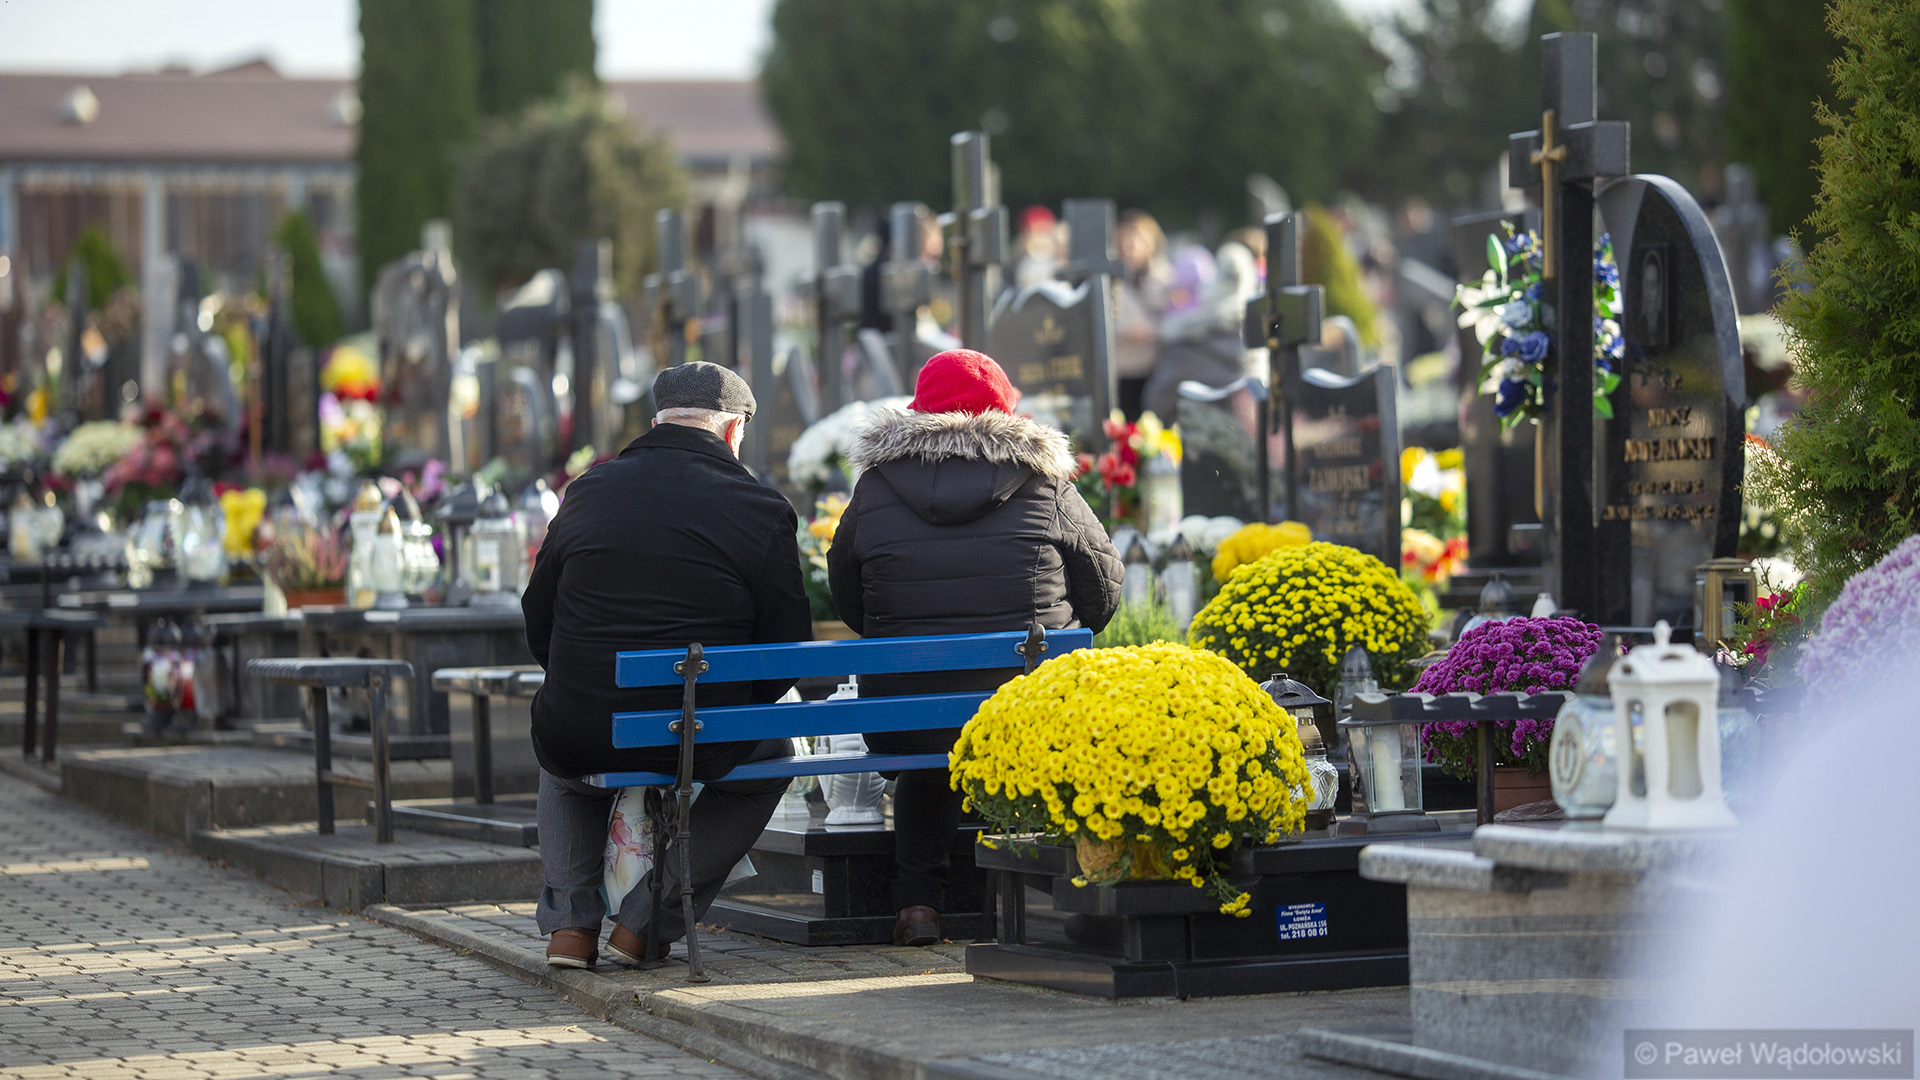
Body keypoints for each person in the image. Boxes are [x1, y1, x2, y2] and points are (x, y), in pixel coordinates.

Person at [827, 349, 1124, 945]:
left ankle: (918, 907)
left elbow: (845, 592)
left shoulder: (876, 486)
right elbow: (1105, 589)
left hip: (906, 718)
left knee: (928, 761)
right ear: (1005, 409)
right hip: (1025, 711)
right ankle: (1039, 905)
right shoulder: (1047, 483)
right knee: (1003, 720)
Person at [523, 361, 811, 970]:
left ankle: (569, 930)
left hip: (585, 721)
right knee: (777, 757)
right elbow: (785, 645)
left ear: (655, 422)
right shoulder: (760, 506)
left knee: (562, 752)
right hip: (697, 732)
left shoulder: (586, 490)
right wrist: (728, 705)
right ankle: (645, 925)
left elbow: (538, 615)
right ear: (733, 431)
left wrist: (584, 679)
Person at [1113, 209, 1170, 419]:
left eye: (1137, 240)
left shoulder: (1165, 278)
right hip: (1123, 369)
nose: (1131, 247)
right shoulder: (1112, 280)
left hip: (1157, 369)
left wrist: (1154, 330)